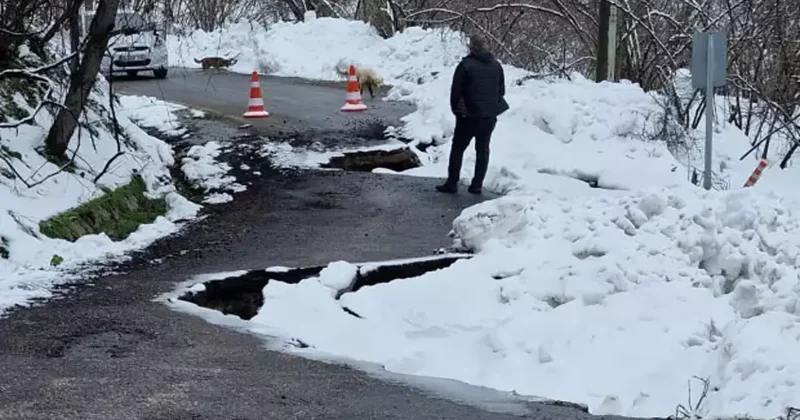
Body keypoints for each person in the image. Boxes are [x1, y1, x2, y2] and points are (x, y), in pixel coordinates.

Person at [436, 34, 509, 195]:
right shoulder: (496, 66)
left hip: (468, 116)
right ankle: (477, 185)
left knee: (458, 148)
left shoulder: (465, 65)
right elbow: (501, 91)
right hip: (489, 117)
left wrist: (457, 111)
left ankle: (452, 183)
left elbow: (456, 92)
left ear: (471, 47)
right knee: (483, 150)